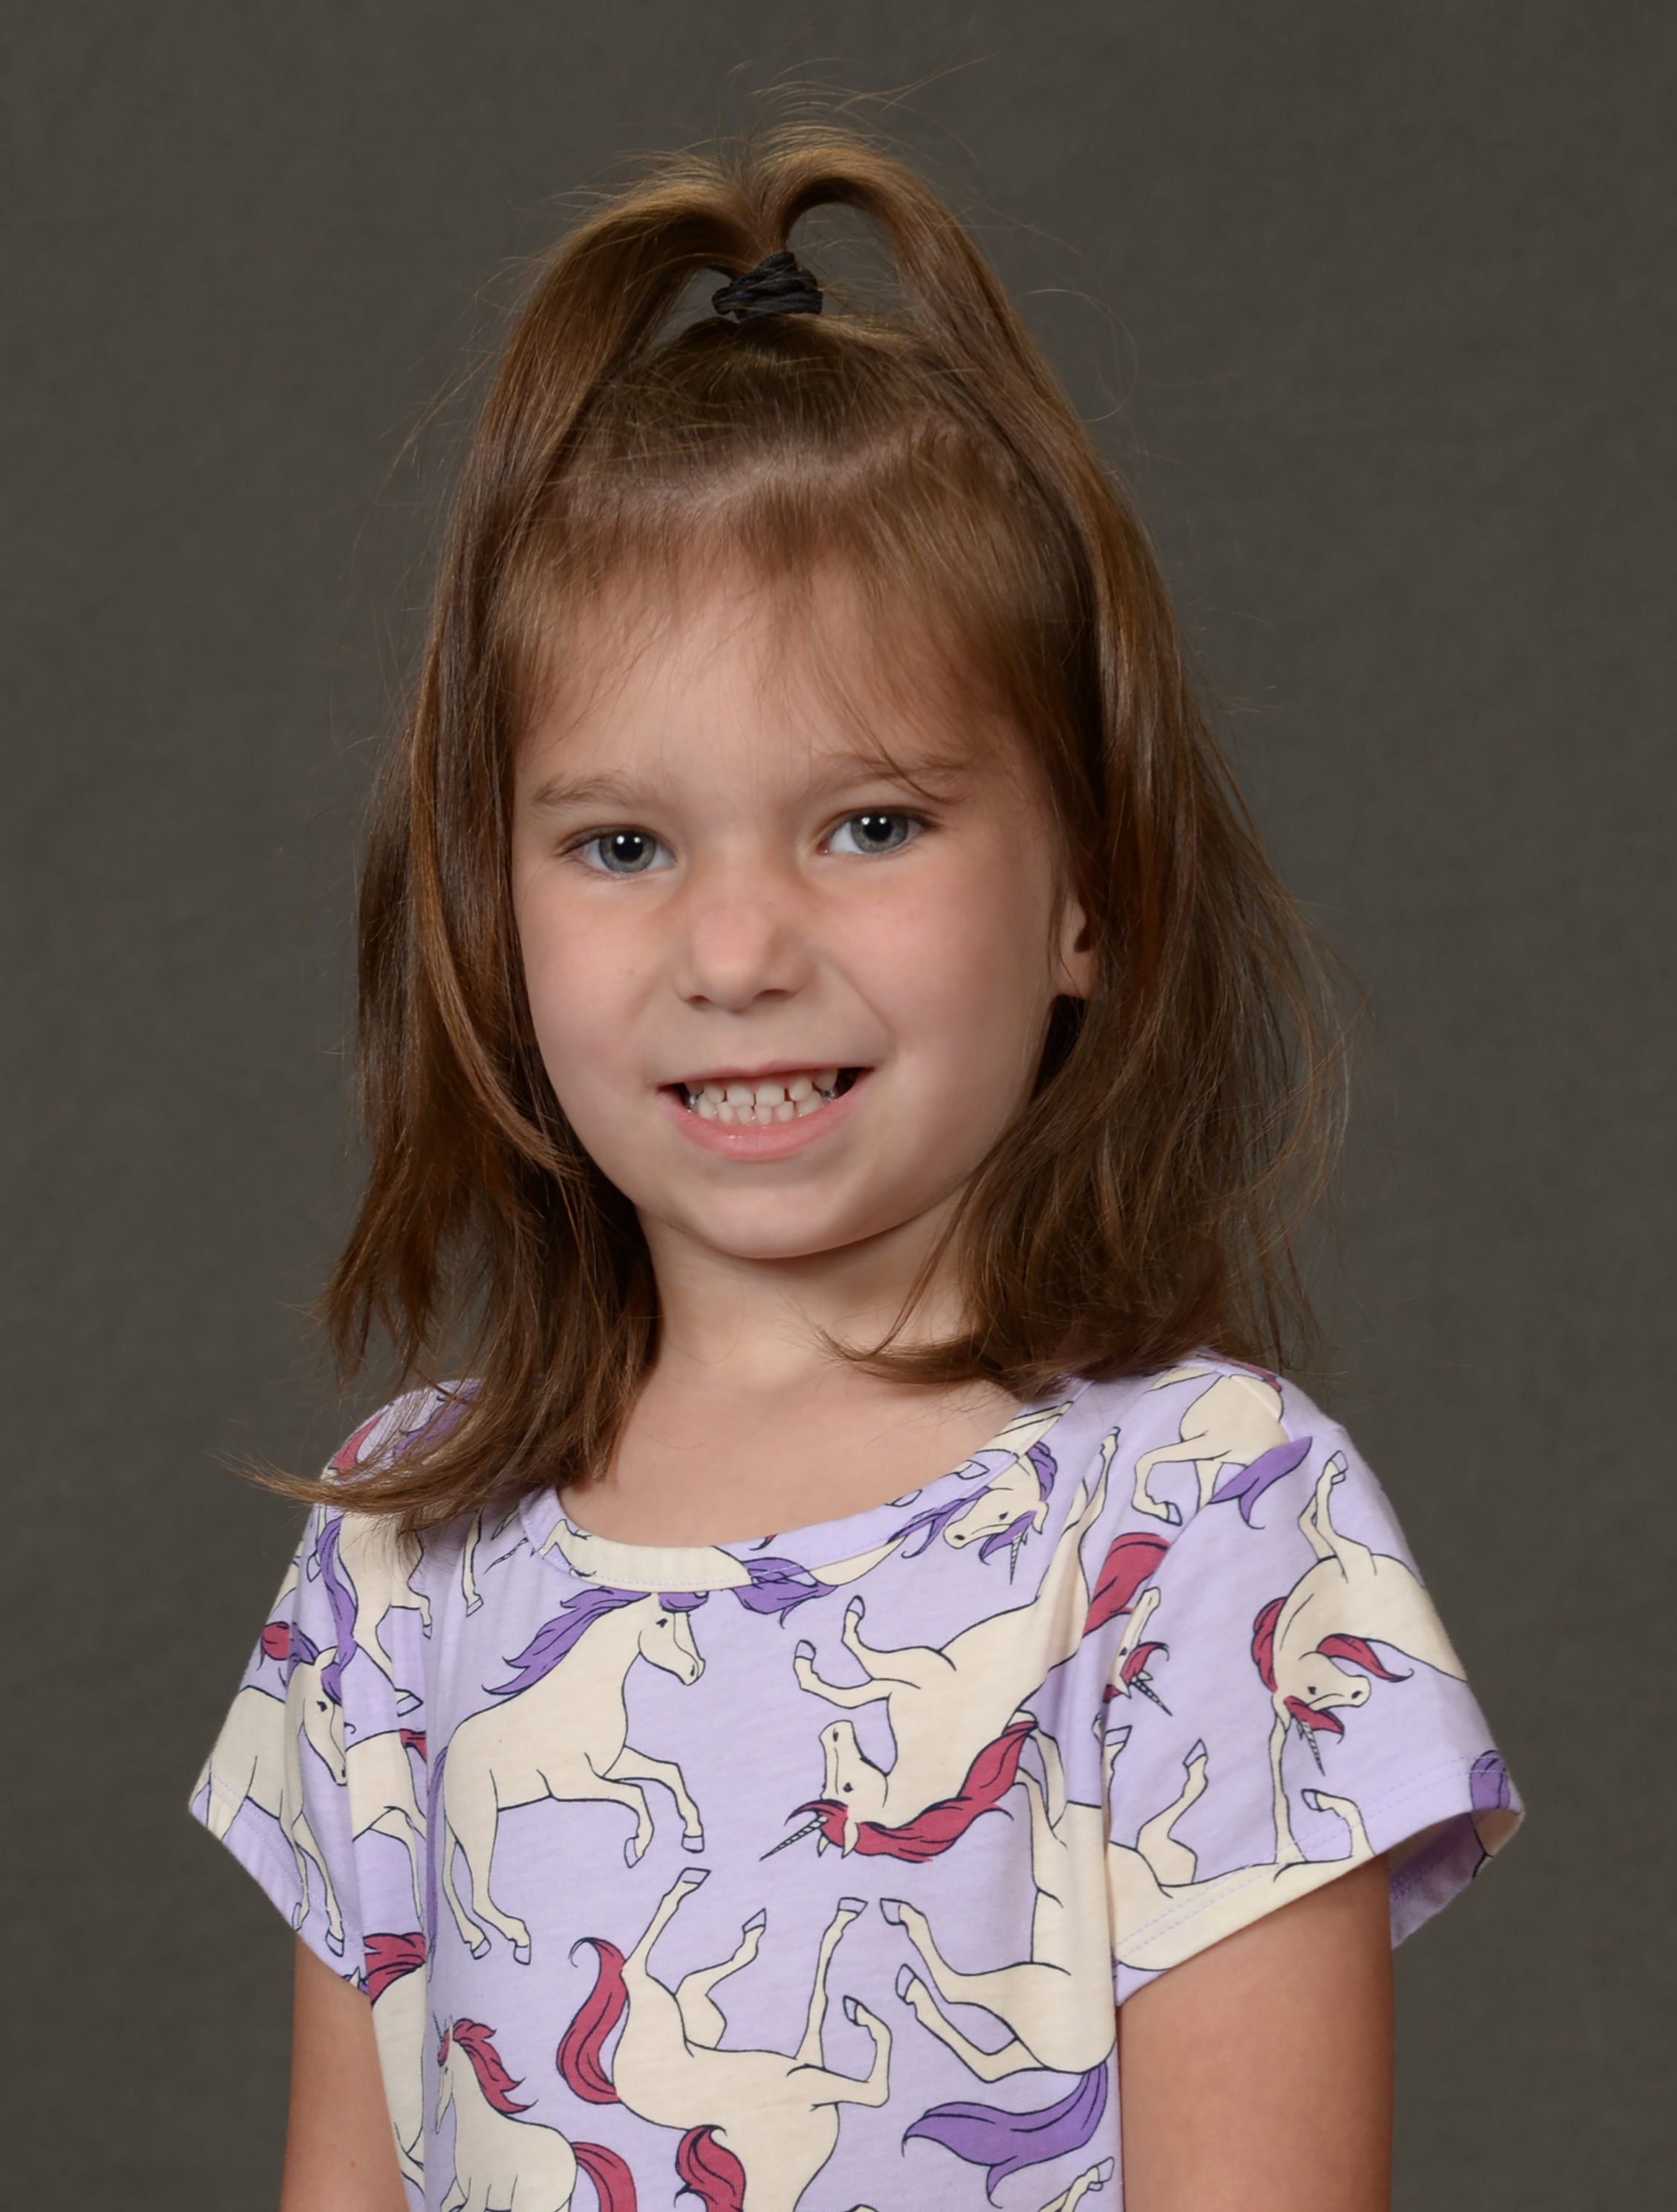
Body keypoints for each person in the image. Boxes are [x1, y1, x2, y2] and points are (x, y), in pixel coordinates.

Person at [192, 127, 1519, 2212]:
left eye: (871, 824)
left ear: (1087, 889)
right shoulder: (398, 1559)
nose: (736, 950)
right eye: (623, 844)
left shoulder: (1201, 1530)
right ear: (493, 914)